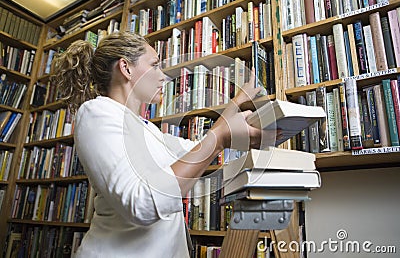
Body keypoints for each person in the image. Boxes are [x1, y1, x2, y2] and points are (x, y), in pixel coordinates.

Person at [51, 31, 276, 257]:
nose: (163, 77)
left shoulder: (148, 129)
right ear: (126, 68)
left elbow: (196, 149)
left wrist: (235, 106)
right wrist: (220, 138)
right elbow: (143, 203)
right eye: (155, 65)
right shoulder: (97, 113)